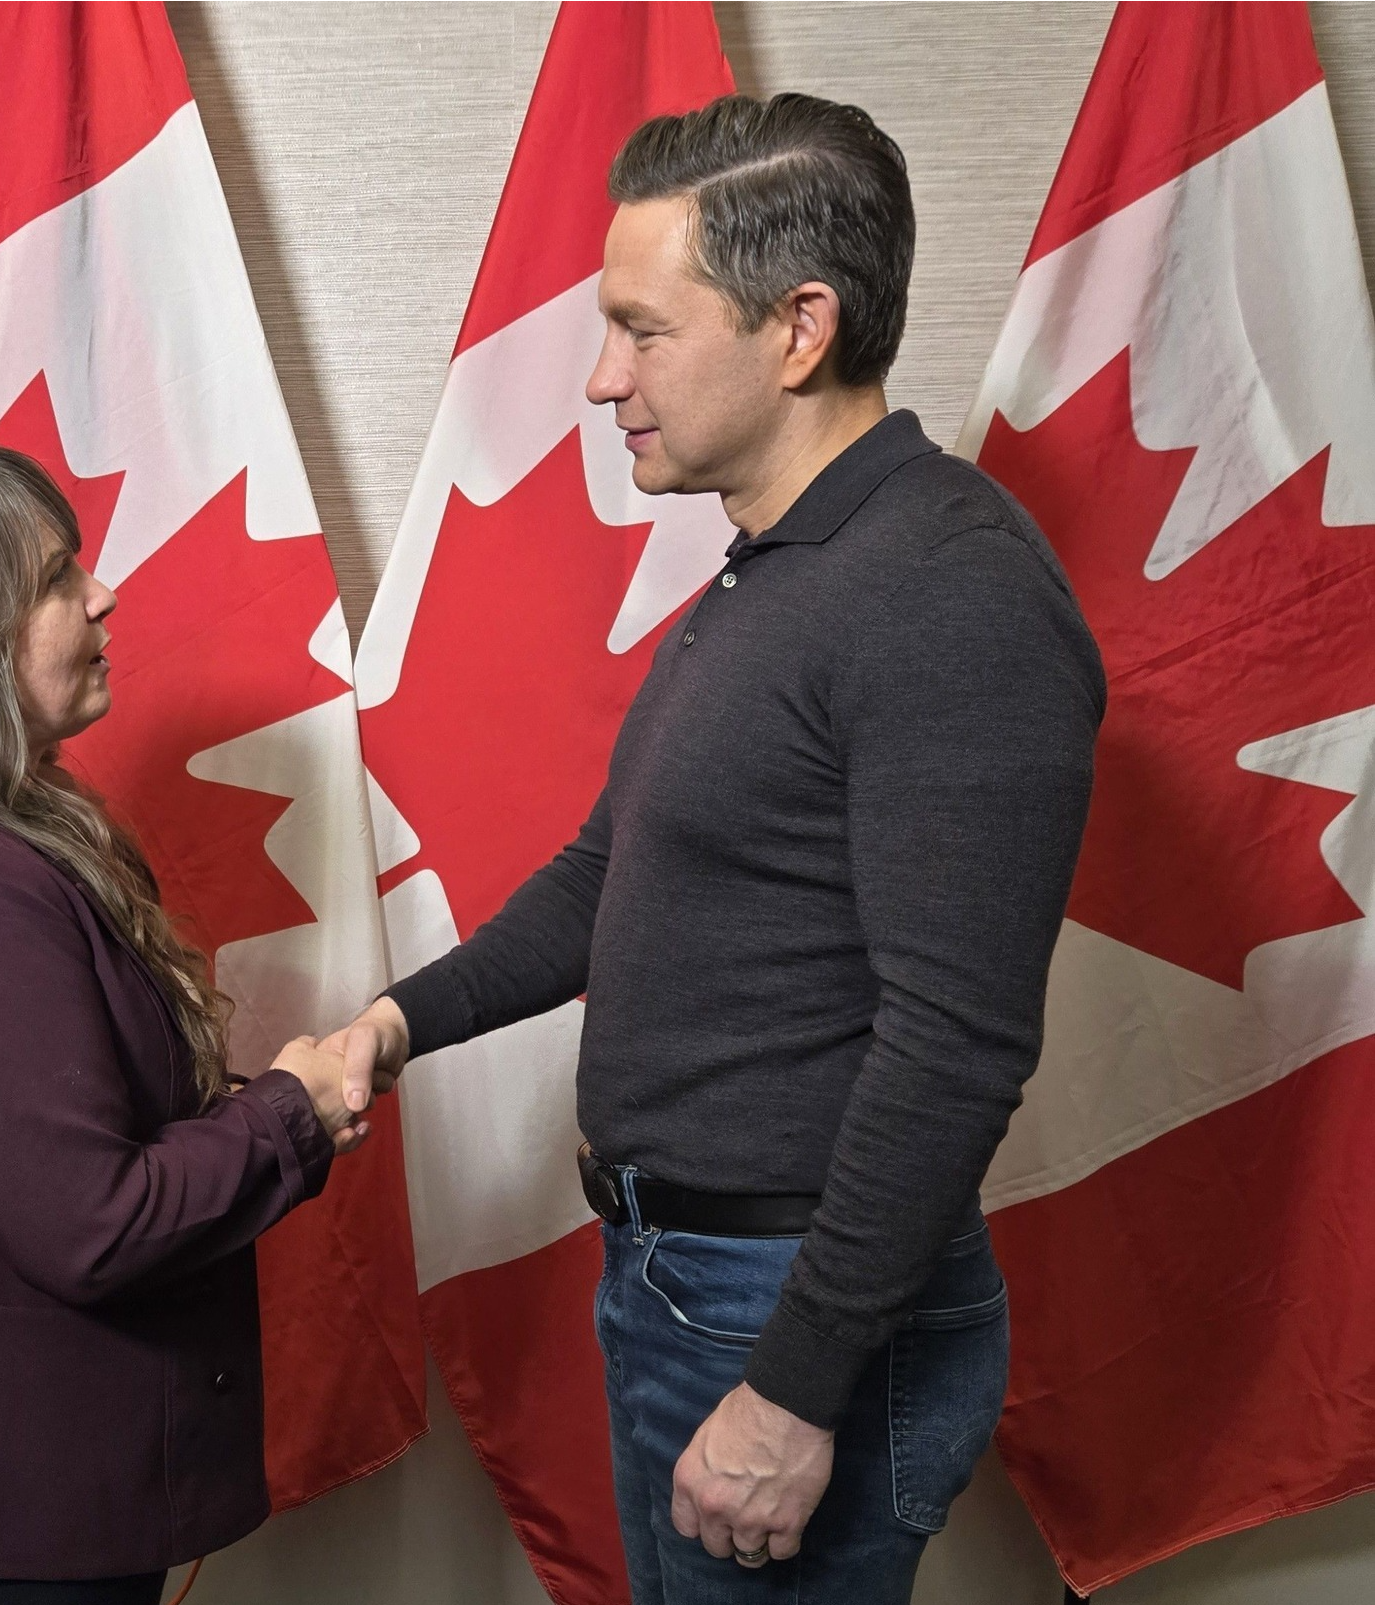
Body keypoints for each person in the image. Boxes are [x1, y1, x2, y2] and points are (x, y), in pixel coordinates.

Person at [328, 94, 1105, 1604]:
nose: (601, 378)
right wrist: (394, 1023)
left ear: (799, 327)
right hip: (686, 1281)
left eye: (641, 329)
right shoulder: (780, 570)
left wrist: (794, 1389)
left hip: (783, 1310)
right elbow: (611, 871)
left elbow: (952, 1046)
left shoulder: (947, 593)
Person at [0, 443, 367, 1605]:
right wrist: (290, 1113)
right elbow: (92, 1223)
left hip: (40, 1498)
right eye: (54, 579)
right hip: (25, 1524)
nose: (104, 595)